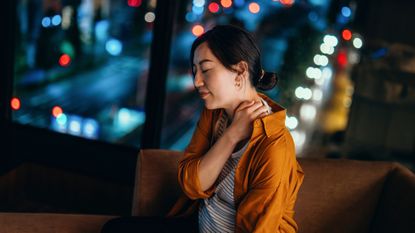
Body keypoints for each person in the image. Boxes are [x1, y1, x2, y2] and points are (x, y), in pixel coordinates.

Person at [102, 24, 304, 233]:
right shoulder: (216, 111)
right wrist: (231, 136)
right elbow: (191, 185)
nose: (197, 81)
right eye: (195, 71)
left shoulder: (274, 145)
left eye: (206, 69)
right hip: (198, 224)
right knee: (114, 229)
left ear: (240, 71)